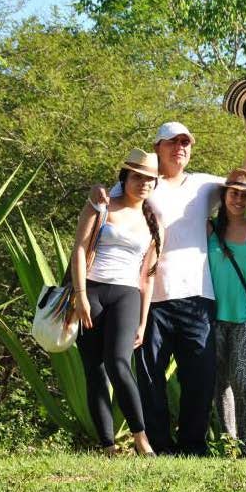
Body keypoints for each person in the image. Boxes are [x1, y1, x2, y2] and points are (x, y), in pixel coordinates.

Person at [92, 119, 246, 455]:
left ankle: (193, 445)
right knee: (151, 377)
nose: (179, 148)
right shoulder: (143, 183)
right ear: (158, 147)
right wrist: (94, 192)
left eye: (185, 143)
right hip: (151, 298)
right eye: (172, 142)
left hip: (199, 297)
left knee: (199, 377)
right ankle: (159, 444)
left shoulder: (204, 186)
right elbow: (104, 203)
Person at [72, 149, 162, 456]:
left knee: (119, 363)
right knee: (94, 369)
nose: (143, 183)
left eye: (150, 179)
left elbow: (147, 278)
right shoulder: (101, 205)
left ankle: (141, 438)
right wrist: (81, 294)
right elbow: (80, 250)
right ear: (124, 177)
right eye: (138, 176)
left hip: (126, 295)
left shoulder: (154, 223)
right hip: (92, 291)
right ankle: (108, 445)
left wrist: (143, 320)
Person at [207, 168, 246, 456]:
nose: (239, 200)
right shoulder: (209, 229)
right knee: (220, 382)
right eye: (234, 194)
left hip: (245, 315)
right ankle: (228, 442)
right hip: (213, 316)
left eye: (245, 196)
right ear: (224, 195)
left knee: (241, 378)